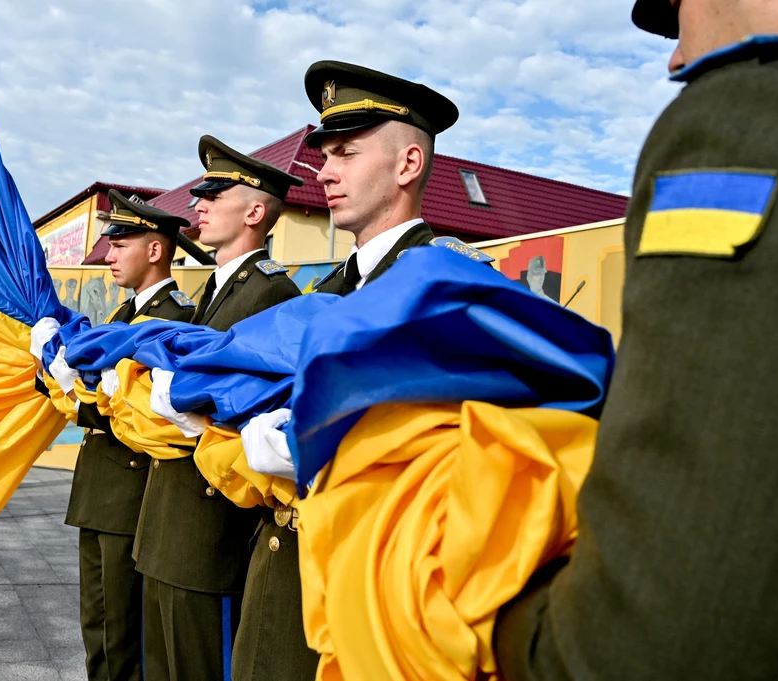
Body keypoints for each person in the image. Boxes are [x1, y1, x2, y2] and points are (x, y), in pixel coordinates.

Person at [493, 2, 778, 679]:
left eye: (680, 11)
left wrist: (486, 608)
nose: (674, 58)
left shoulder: (753, 113)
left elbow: (653, 646)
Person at [235, 60, 492, 681]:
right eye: (324, 156)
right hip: (283, 571)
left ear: (407, 165)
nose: (324, 171)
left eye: (345, 153)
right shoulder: (323, 290)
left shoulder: (449, 287)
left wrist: (339, 442)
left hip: (373, 595)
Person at [135, 135, 304, 681]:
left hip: (210, 536)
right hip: (169, 525)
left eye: (214, 193)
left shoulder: (271, 296)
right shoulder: (213, 290)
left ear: (255, 211)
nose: (197, 205)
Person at [65, 190, 196, 681]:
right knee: (97, 631)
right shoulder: (123, 317)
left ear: (156, 249)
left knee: (125, 637)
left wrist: (79, 398)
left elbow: (142, 410)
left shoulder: (175, 319)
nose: (110, 254)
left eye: (121, 243)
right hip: (100, 494)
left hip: (131, 495)